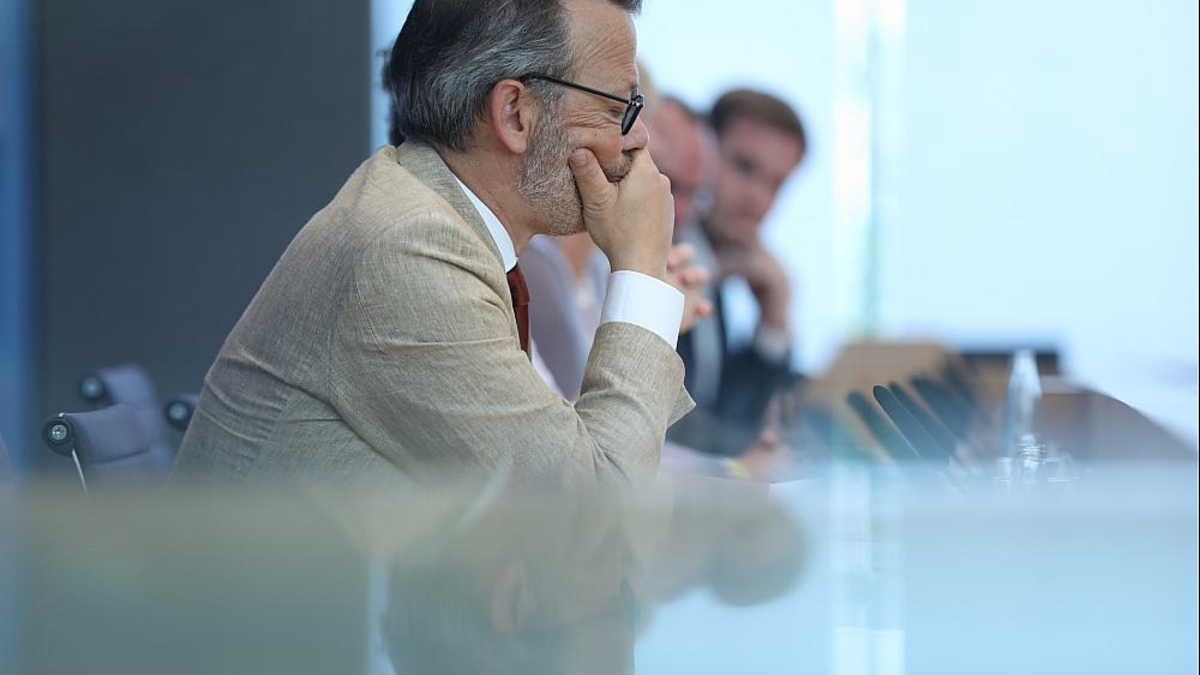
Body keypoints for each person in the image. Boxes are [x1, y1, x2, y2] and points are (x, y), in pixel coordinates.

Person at [171, 0, 698, 486]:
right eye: (619, 109)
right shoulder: (410, 247)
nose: (639, 140)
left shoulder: (435, 218)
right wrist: (642, 267)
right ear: (516, 113)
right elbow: (591, 509)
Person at [674, 89, 808, 454]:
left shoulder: (717, 269)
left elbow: (725, 418)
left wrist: (773, 320)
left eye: (776, 184)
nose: (758, 200)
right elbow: (676, 435)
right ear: (702, 151)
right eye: (745, 168)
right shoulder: (665, 254)